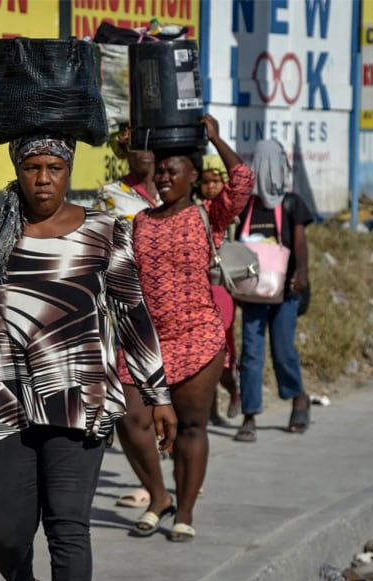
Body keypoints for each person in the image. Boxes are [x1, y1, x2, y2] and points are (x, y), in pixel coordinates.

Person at [0, 131, 177, 581]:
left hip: (79, 400)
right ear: (17, 171)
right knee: (5, 528)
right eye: (32, 168)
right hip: (5, 401)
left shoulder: (104, 231)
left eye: (55, 169)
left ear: (68, 172)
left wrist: (157, 393)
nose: (43, 180)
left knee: (68, 526)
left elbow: (132, 313)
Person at [116, 115, 255, 542]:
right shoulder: (140, 222)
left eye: (172, 170)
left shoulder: (206, 215)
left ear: (193, 175)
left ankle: (185, 510)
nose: (162, 177)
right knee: (129, 416)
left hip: (197, 336)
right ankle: (159, 498)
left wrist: (214, 137)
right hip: (146, 342)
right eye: (159, 170)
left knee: (192, 426)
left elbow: (243, 180)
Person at [97, 125, 162, 510]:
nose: (145, 155)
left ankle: (178, 477)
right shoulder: (112, 195)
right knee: (135, 401)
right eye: (136, 149)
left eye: (151, 148)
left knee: (175, 402)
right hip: (131, 306)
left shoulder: (175, 189)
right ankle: (152, 484)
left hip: (173, 309)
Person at [233, 139, 314, 443]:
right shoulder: (248, 206)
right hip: (254, 290)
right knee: (251, 353)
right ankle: (250, 414)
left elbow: (300, 244)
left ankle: (298, 397)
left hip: (286, 291)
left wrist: (302, 273)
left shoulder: (292, 203)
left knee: (282, 350)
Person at [199, 154, 241, 426]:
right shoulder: (193, 210)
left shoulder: (225, 211)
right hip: (200, 289)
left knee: (222, 349)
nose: (211, 186)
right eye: (206, 181)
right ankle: (209, 410)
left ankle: (234, 391)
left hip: (222, 288)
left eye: (217, 181)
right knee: (203, 353)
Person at [95, 125, 159, 228]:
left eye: (149, 145)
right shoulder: (110, 193)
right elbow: (101, 236)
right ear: (124, 149)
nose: (144, 152)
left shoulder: (172, 188)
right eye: (137, 146)